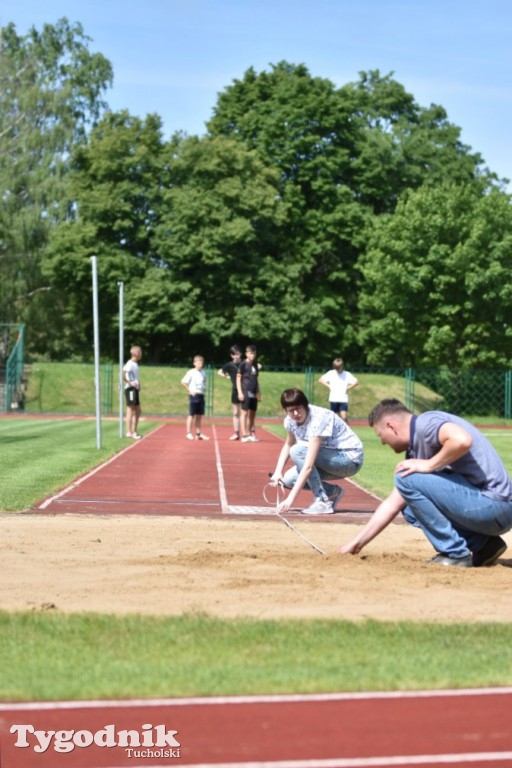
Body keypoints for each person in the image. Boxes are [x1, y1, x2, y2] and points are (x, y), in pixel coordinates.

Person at [339, 399, 512, 567]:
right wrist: (356, 544)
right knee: (408, 506)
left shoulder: (426, 423)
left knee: (405, 479)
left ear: (391, 426)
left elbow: (461, 440)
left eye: (380, 435)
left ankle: (454, 554)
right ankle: (484, 545)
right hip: (491, 510)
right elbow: (392, 503)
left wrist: (429, 465)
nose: (383, 442)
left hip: (494, 505)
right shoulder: (417, 447)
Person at [270, 388, 364, 515]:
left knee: (297, 451)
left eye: (299, 408)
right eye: (291, 411)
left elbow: (308, 466)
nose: (296, 413)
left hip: (349, 459)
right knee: (288, 479)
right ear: (285, 411)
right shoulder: (290, 421)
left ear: (305, 405)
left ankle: (322, 500)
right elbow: (289, 443)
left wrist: (289, 499)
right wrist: (277, 472)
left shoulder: (318, 419)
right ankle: (332, 492)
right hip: (330, 459)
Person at [318, 357, 359, 421]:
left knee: (344, 417)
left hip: (343, 398)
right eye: (336, 368)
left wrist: (348, 388)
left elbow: (356, 382)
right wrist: (328, 385)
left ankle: (346, 430)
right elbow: (320, 380)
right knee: (333, 417)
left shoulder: (347, 374)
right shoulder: (331, 373)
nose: (337, 370)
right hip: (333, 398)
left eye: (338, 368)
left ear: (342, 366)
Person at [181, 355, 210, 440]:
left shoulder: (204, 372)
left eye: (201, 362)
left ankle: (198, 433)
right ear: (194, 363)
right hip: (194, 395)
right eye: (198, 362)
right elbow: (183, 382)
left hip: (201, 395)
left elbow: (204, 382)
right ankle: (188, 433)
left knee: (199, 415)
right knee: (191, 414)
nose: (200, 364)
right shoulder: (191, 372)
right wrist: (189, 390)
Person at [236, 344, 261, 443]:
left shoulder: (255, 364)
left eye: (254, 354)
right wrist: (240, 392)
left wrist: (259, 392)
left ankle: (250, 433)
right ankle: (244, 435)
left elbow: (256, 379)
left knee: (252, 414)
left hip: (254, 392)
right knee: (244, 413)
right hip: (245, 390)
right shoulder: (242, 364)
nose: (253, 355)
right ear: (246, 354)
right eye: (251, 353)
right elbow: (238, 379)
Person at [217, 345, 242, 440]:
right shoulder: (229, 365)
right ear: (232, 355)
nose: (236, 356)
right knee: (235, 412)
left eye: (238, 354)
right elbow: (219, 372)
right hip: (235, 391)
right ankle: (236, 433)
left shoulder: (244, 363)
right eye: (234, 354)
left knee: (245, 413)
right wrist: (227, 377)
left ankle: (248, 433)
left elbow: (257, 366)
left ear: (240, 354)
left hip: (245, 390)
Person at [123, 345, 143, 439]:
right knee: (130, 410)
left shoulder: (135, 364)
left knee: (138, 410)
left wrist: (138, 385)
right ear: (135, 354)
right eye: (140, 352)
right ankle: (129, 432)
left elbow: (134, 376)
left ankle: (134, 431)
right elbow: (123, 373)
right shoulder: (130, 363)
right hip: (130, 389)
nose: (141, 354)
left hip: (135, 389)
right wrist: (129, 383)